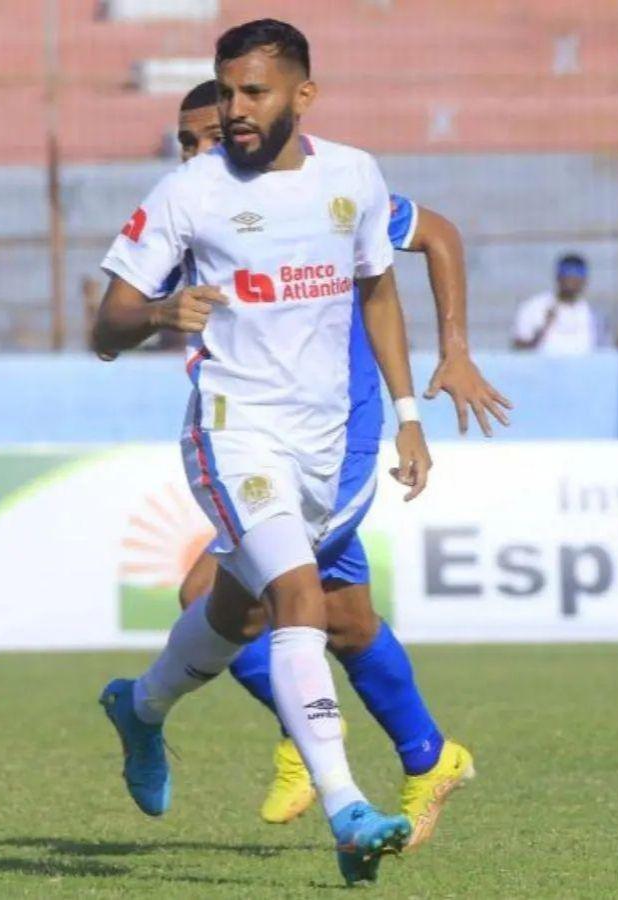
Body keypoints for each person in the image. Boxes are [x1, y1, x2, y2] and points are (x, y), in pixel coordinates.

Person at [93, 20, 457, 885]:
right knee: (303, 598)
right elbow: (105, 325)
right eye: (225, 92)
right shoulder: (190, 191)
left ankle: (141, 709)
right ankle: (348, 807)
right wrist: (153, 317)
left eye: (252, 92)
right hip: (232, 428)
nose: (234, 110)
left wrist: (407, 412)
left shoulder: (353, 178)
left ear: (303, 94)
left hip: (328, 440)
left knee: (235, 611)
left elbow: (377, 293)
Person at [151, 80, 509, 844]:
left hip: (334, 438)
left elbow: (438, 234)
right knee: (342, 620)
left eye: (207, 136)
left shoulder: (327, 190)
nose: (196, 153)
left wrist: (454, 352)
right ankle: (429, 757)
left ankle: (304, 736)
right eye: (184, 142)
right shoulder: (198, 211)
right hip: (265, 436)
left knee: (238, 602)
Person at [512, 253, 611, 353]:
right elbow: (518, 348)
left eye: (577, 278)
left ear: (584, 281)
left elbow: (603, 350)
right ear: (558, 278)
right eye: (568, 277)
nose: (572, 283)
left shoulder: (593, 314)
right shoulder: (535, 307)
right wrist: (543, 329)